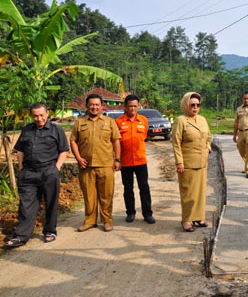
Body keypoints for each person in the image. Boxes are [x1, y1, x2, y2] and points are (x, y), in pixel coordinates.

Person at [5, 103, 69, 248]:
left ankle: (50, 231)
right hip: (29, 173)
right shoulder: (27, 129)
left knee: (50, 202)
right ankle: (21, 236)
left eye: (41, 115)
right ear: (31, 116)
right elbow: (20, 149)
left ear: (47, 113)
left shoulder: (56, 130)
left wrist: (56, 168)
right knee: (26, 205)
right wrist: (21, 167)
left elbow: (64, 150)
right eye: (35, 116)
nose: (39, 118)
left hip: (48, 171)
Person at [70, 94, 121, 233]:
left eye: (97, 105)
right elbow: (73, 141)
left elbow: (116, 141)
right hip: (86, 166)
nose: (94, 107)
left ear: (101, 106)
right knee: (89, 196)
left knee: (106, 195)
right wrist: (79, 158)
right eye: (92, 104)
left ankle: (107, 221)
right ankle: (89, 221)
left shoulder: (109, 122)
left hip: (106, 165)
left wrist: (117, 159)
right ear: (87, 105)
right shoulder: (79, 123)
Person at [172, 92, 212, 232]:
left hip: (202, 161)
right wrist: (179, 162)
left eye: (197, 105)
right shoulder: (181, 120)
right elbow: (176, 143)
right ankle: (187, 220)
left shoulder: (202, 119)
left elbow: (209, 136)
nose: (195, 108)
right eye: (192, 105)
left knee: (200, 192)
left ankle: (199, 218)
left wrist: (208, 147)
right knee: (188, 192)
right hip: (187, 162)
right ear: (185, 105)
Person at [115, 94, 155, 224]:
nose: (132, 109)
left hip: (140, 161)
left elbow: (143, 137)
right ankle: (130, 212)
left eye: (135, 106)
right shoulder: (119, 122)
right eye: (130, 106)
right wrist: (117, 160)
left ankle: (147, 214)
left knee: (144, 187)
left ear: (138, 106)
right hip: (125, 161)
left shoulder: (144, 120)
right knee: (128, 188)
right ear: (125, 107)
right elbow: (116, 142)